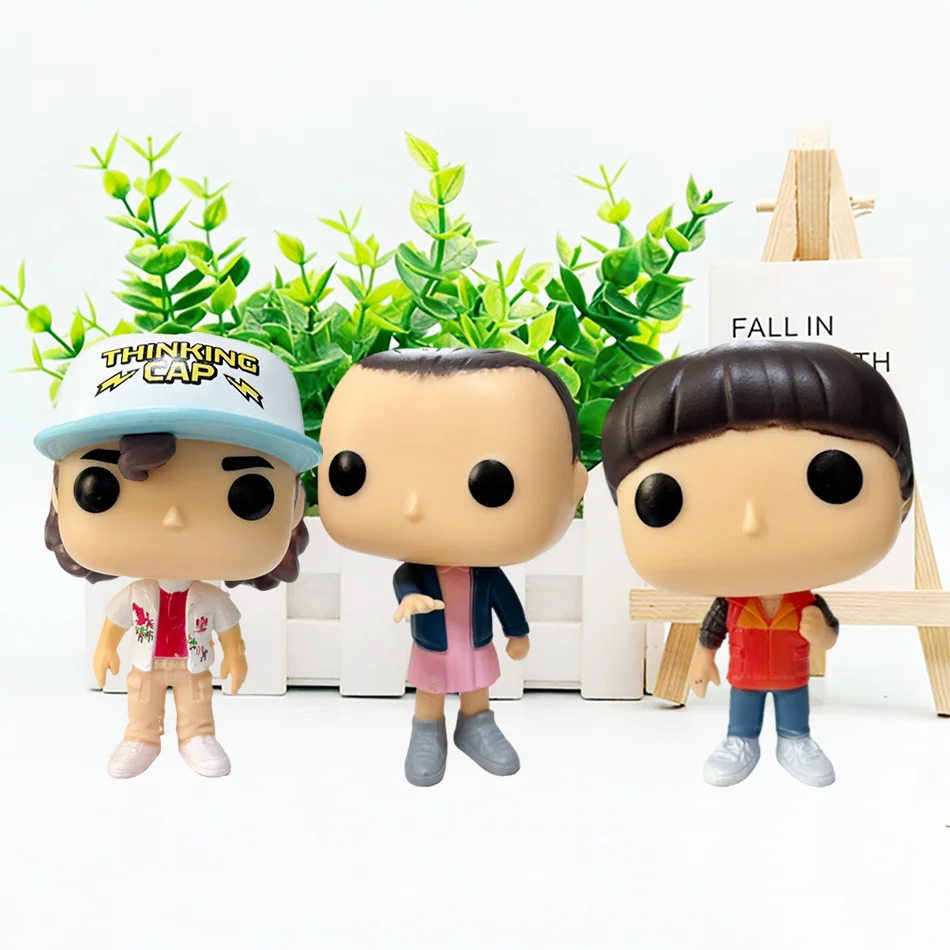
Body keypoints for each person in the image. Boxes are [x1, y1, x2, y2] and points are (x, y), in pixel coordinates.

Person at [601, 341, 913, 787]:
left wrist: (820, 632)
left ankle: (796, 740)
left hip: (792, 674)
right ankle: (740, 741)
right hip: (745, 675)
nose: (752, 524)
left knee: (793, 710)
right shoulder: (731, 602)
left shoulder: (805, 602)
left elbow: (829, 635)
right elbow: (712, 629)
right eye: (664, 499)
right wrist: (702, 659)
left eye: (833, 478)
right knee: (743, 713)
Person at [35, 333, 320, 779]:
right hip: (146, 660)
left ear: (295, 504)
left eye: (249, 495)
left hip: (193, 662)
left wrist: (236, 655)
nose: (173, 518)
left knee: (196, 699)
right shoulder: (136, 595)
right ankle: (140, 738)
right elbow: (115, 622)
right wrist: (106, 648)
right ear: (58, 492)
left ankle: (197, 737)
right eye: (100, 489)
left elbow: (229, 630)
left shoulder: (210, 598)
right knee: (141, 698)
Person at [318, 348, 587, 786]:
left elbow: (505, 599)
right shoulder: (418, 570)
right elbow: (405, 579)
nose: (413, 507)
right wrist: (410, 598)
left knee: (476, 684)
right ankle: (427, 730)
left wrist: (517, 632)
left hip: (475, 640)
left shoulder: (485, 573)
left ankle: (476, 723)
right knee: (430, 688)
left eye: (490, 483)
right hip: (432, 643)